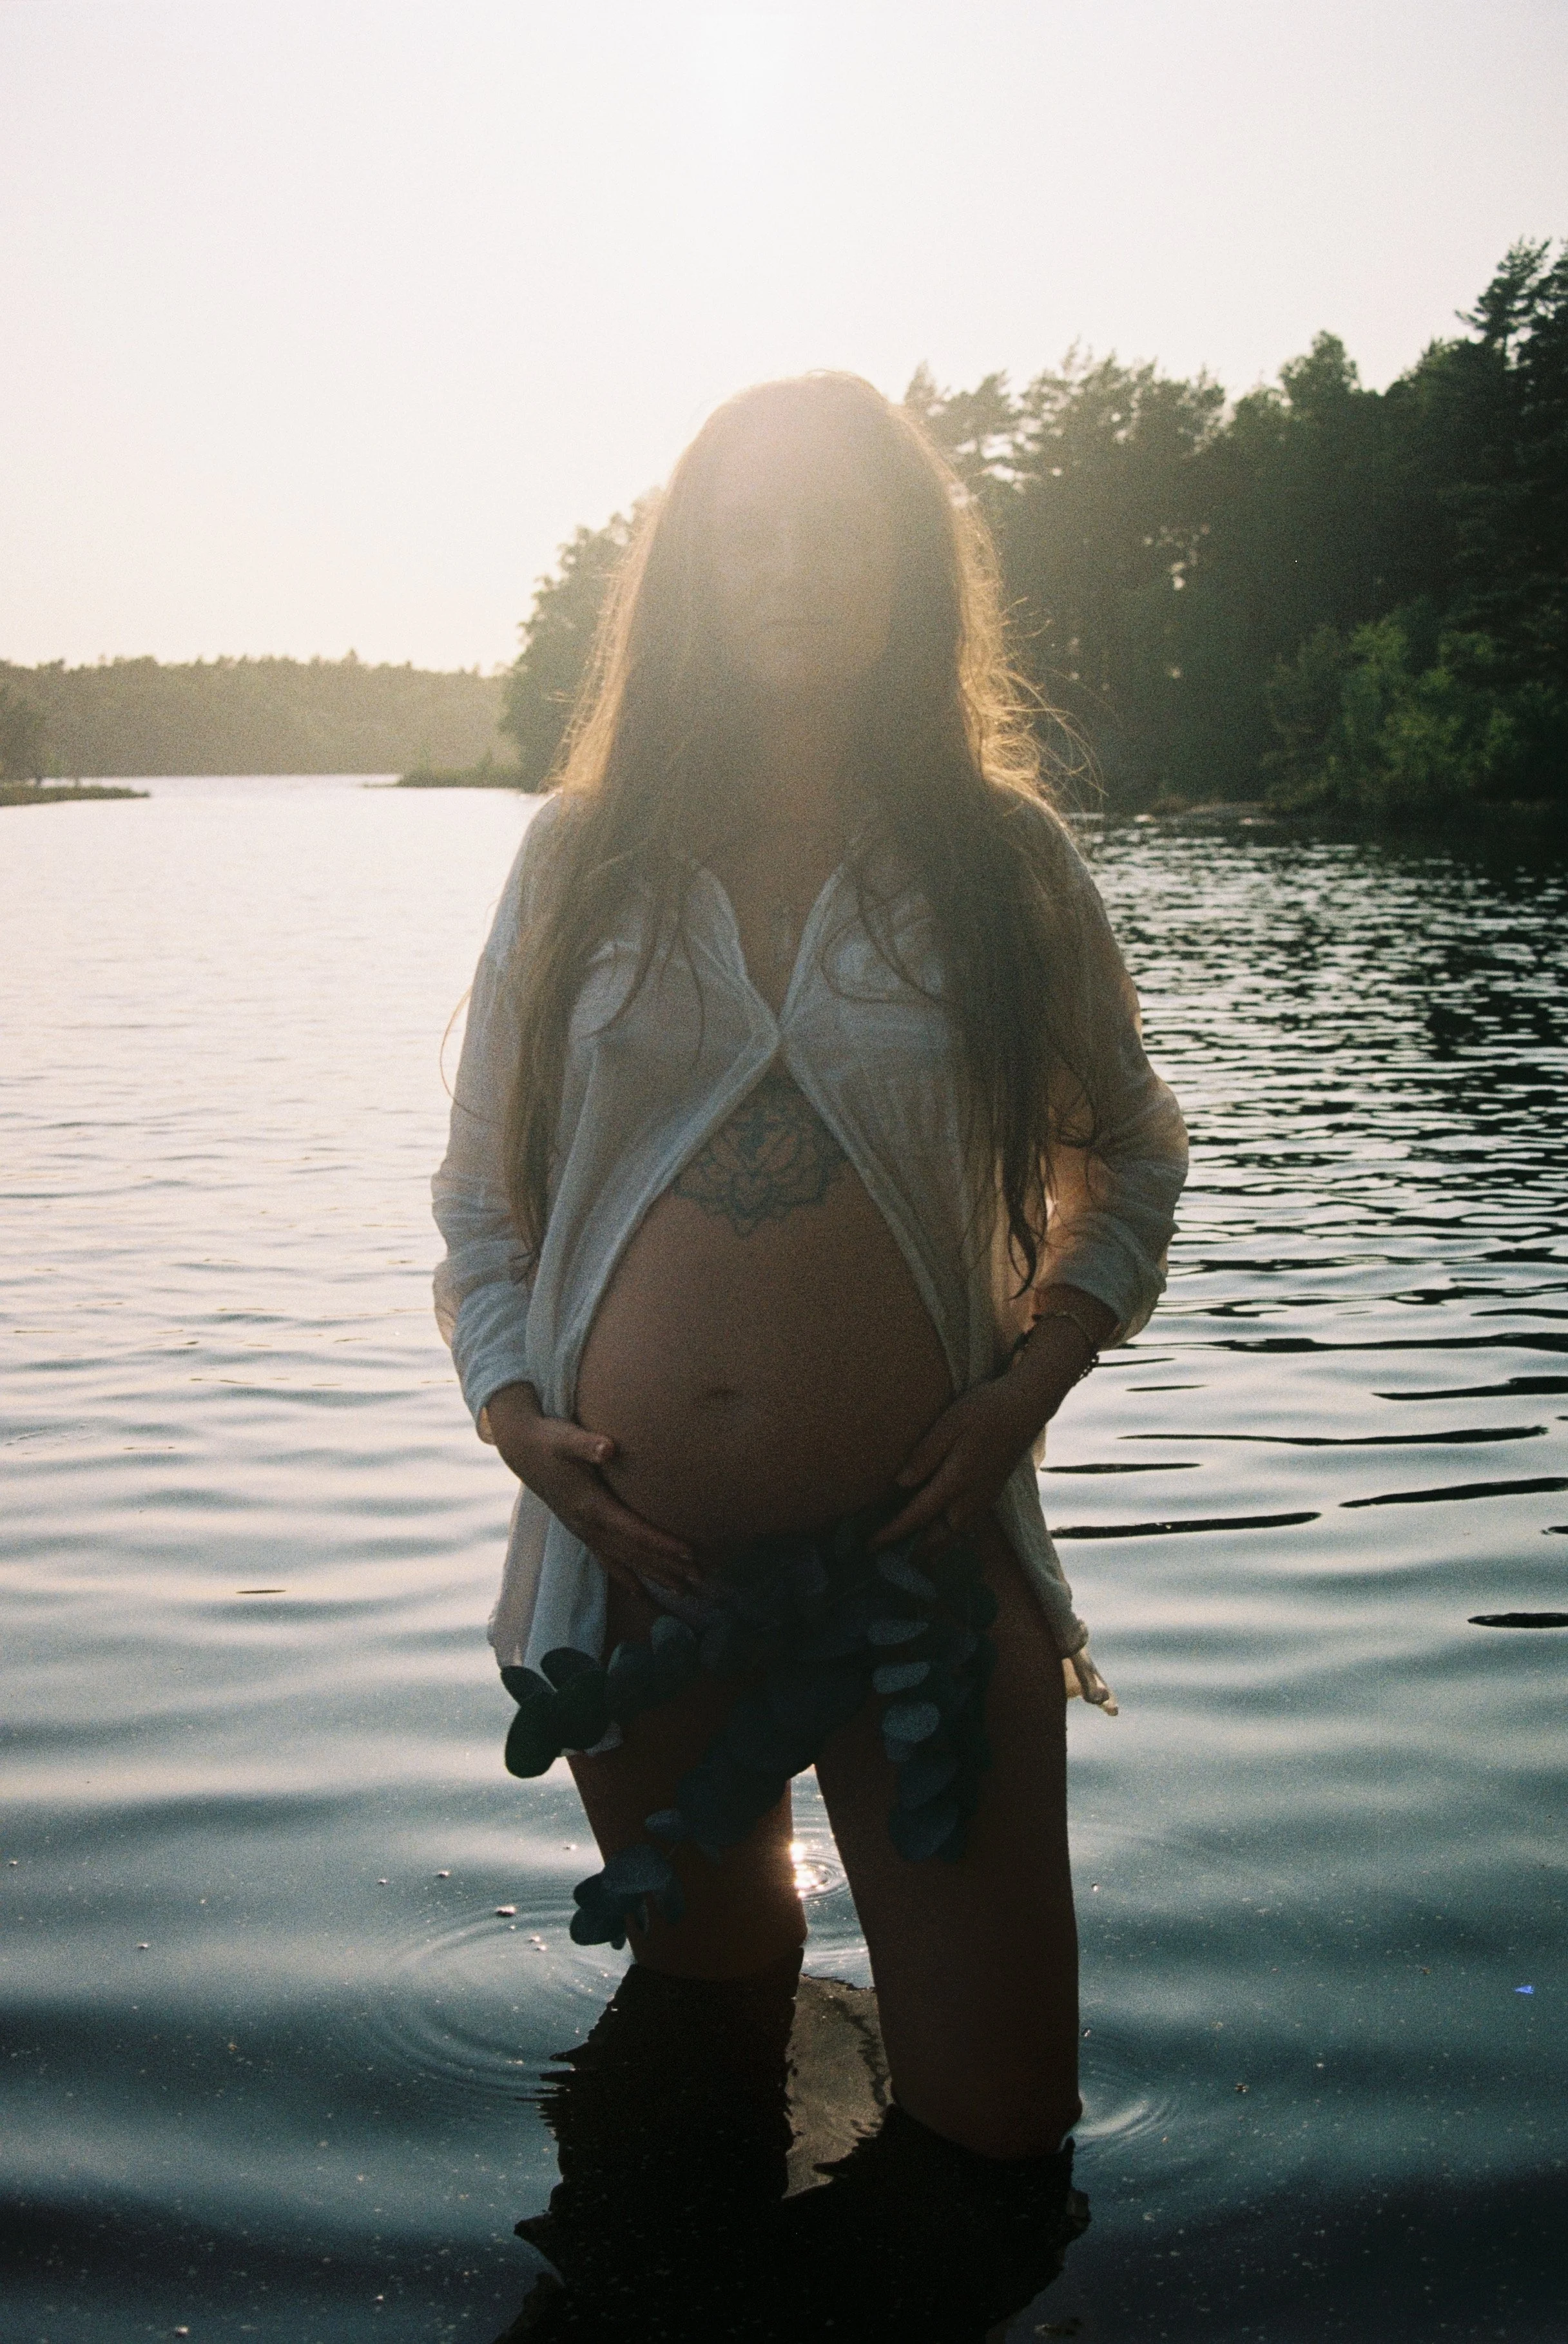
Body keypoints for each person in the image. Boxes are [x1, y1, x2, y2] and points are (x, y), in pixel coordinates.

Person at [432, 373, 1186, 2205]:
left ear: (909, 572)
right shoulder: (578, 859)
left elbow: (1134, 1159)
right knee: (699, 2084)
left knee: (997, 2138)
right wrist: (519, 1411)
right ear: (687, 574)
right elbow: (483, 1204)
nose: (793, 567)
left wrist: (1028, 1389)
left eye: (838, 530)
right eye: (750, 530)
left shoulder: (1003, 866)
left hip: (930, 1579)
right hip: (644, 1588)